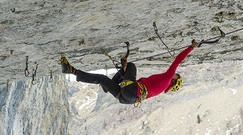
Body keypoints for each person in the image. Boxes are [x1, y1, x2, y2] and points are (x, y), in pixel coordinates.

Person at [60, 40, 200, 105]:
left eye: (177, 76)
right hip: (128, 99)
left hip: (132, 89)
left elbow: (177, 61)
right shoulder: (161, 88)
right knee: (102, 79)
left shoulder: (167, 78)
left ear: (174, 80)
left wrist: (191, 48)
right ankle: (72, 71)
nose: (176, 74)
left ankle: (122, 70)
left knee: (132, 66)